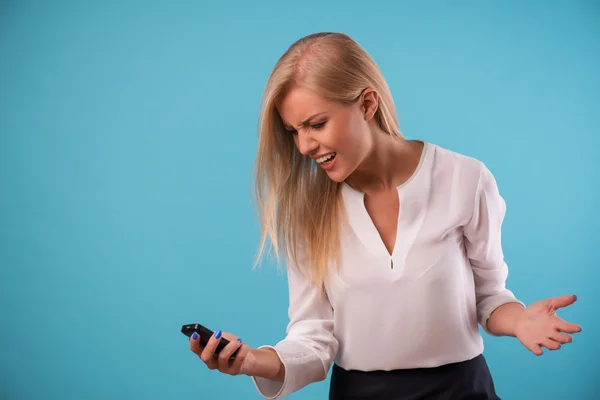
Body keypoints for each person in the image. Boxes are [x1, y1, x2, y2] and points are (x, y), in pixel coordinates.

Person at [188, 32, 582, 399]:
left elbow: (490, 297)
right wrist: (252, 361)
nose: (305, 145)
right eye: (293, 131)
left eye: (317, 124)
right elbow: (312, 337)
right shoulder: (306, 209)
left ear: (367, 103)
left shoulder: (465, 178)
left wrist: (519, 322)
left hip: (462, 388)